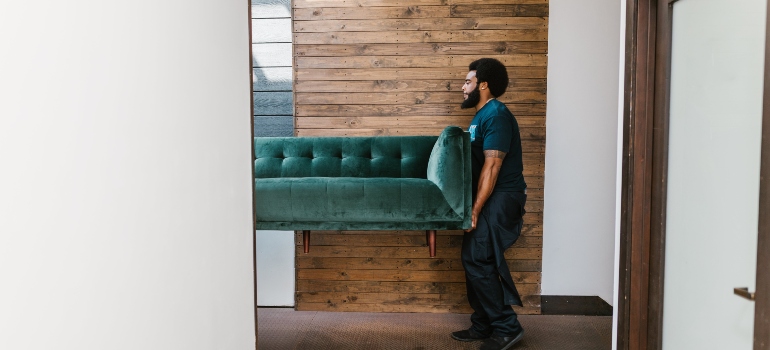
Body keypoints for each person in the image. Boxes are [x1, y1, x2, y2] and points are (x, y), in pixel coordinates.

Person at [451, 58, 527, 350]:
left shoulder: (495, 115)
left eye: (468, 81)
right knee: (474, 258)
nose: (463, 86)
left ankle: (508, 328)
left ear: (483, 84)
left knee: (478, 258)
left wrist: (475, 208)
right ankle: (483, 324)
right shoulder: (481, 116)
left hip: (502, 197)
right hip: (490, 197)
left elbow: (493, 166)